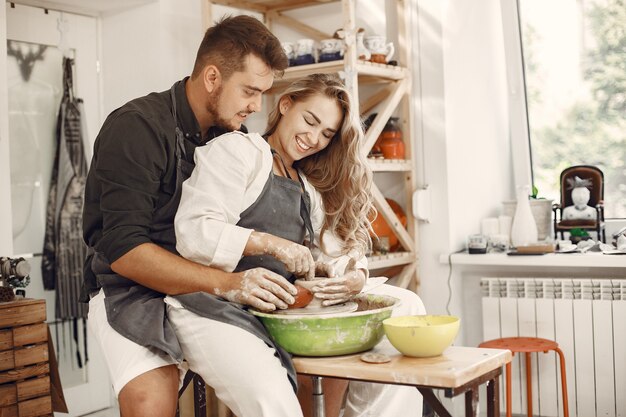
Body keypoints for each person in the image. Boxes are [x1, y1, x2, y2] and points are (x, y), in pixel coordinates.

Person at [173, 73, 426, 417]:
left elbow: (333, 250)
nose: (313, 138)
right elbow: (193, 231)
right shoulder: (239, 151)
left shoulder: (305, 184)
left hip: (275, 305)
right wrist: (270, 244)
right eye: (310, 120)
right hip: (219, 301)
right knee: (274, 400)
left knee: (406, 306)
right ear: (286, 104)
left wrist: (353, 274)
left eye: (326, 134)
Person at [81, 15, 293, 417]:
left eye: (263, 93)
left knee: (273, 384)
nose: (256, 106)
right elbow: (125, 250)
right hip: (129, 289)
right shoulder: (137, 128)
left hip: (203, 289)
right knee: (150, 401)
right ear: (212, 77)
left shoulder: (234, 138)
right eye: (249, 90)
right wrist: (228, 284)